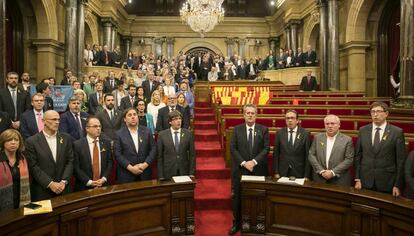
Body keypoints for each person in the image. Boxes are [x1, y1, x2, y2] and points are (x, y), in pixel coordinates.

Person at [229, 104, 269, 235]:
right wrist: (244, 163)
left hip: (258, 170)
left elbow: (266, 148)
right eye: (248, 113)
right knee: (238, 197)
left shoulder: (263, 130)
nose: (250, 115)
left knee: (258, 197)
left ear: (256, 115)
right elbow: (233, 148)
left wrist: (254, 162)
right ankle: (237, 223)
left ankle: (257, 222)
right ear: (244, 115)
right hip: (240, 170)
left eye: (253, 113)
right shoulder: (236, 129)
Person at [354, 102, 406, 196]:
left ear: (386, 114)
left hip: (387, 181)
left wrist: (397, 184)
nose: (375, 114)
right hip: (365, 180)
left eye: (379, 111)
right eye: (373, 111)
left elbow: (400, 160)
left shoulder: (397, 132)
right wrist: (358, 178)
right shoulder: (363, 130)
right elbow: (358, 155)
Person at [25, 110, 73, 201]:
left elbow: (70, 161)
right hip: (43, 190)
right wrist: (50, 184)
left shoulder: (66, 138)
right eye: (54, 119)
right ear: (44, 121)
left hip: (64, 189)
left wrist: (63, 182)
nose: (57, 122)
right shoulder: (32, 141)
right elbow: (33, 166)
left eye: (58, 119)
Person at [308, 114, 354, 187]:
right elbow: (311, 155)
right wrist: (321, 171)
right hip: (320, 178)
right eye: (327, 124)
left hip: (339, 180)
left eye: (332, 123)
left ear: (339, 125)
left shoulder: (347, 140)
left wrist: (332, 172)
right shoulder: (317, 138)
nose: (330, 126)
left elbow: (349, 159)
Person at [114, 108, 156, 183]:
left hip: (144, 172)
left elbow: (153, 149)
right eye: (129, 115)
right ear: (124, 119)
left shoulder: (147, 131)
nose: (133, 117)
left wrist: (145, 165)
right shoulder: (119, 134)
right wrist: (131, 168)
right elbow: (118, 154)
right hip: (126, 174)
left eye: (135, 114)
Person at [73, 117, 113, 191]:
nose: (98, 128)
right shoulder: (77, 145)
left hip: (103, 186)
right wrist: (89, 182)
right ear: (87, 129)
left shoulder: (106, 143)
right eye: (95, 126)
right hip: (83, 187)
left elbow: (110, 162)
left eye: (99, 126)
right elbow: (76, 167)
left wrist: (104, 178)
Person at [157, 110, 195, 180]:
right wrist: (160, 175)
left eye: (180, 119)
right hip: (168, 171)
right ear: (170, 122)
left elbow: (192, 155)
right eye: (175, 119)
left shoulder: (188, 134)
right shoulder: (162, 135)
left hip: (184, 171)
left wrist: (191, 173)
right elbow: (160, 157)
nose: (179, 121)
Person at [273, 110, 311, 179]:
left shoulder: (305, 133)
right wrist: (276, 172)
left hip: (299, 171)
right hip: (283, 171)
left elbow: (307, 156)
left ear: (297, 120)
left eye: (292, 118)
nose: (290, 120)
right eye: (287, 118)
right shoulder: (279, 133)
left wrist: (306, 175)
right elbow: (276, 154)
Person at [0, 129, 31, 212]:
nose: (13, 142)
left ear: (19, 142)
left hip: (21, 201)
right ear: (3, 142)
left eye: (16, 140)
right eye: (9, 140)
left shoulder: (23, 158)